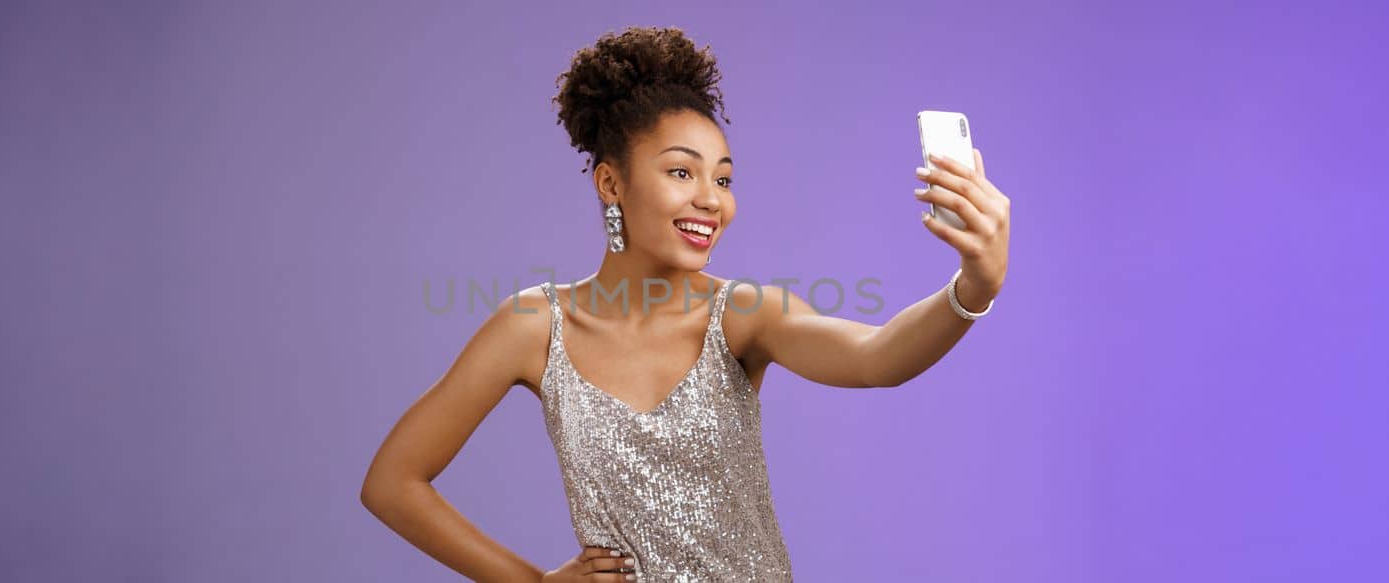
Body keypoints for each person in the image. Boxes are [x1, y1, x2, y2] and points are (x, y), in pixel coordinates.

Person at [360, 25, 1012, 582]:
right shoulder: (534, 325)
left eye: (724, 178)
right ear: (611, 182)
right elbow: (393, 482)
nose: (711, 199)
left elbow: (877, 358)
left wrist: (972, 288)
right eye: (682, 171)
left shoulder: (743, 314)